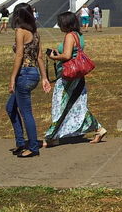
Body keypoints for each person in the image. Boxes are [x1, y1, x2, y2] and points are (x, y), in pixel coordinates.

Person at [44, 11, 107, 146]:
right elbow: (73, 53)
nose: (59, 26)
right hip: (77, 75)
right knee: (76, 105)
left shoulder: (69, 36)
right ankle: (98, 129)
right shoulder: (79, 35)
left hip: (68, 76)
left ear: (66, 23)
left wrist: (53, 57)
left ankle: (52, 137)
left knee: (60, 104)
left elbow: (67, 56)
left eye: (61, 23)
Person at [6, 3, 51, 158]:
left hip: (23, 74)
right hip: (33, 74)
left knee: (26, 112)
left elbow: (19, 55)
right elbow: (39, 56)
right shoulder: (36, 33)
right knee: (10, 107)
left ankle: (32, 147)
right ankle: (21, 142)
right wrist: (44, 77)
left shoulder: (20, 31)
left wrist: (12, 78)